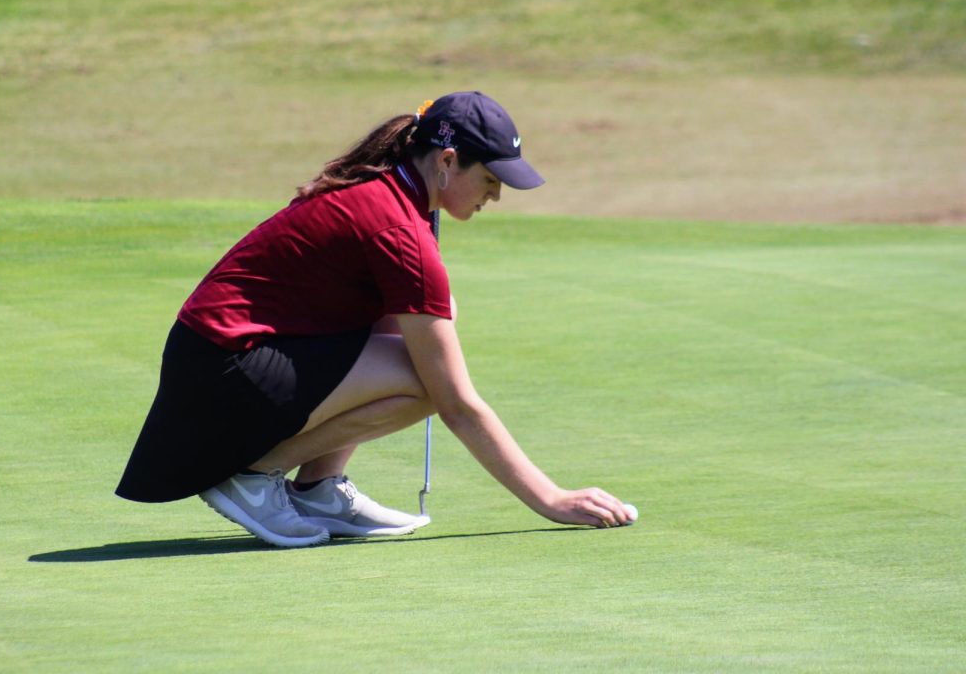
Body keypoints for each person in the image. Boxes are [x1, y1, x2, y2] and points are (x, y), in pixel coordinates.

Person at [115, 91, 635, 547]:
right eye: (491, 179)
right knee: (429, 382)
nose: (495, 196)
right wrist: (550, 499)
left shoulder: (396, 191)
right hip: (226, 370)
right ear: (448, 161)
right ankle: (252, 476)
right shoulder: (397, 227)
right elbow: (457, 404)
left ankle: (318, 489)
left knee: (416, 337)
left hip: (220, 359)